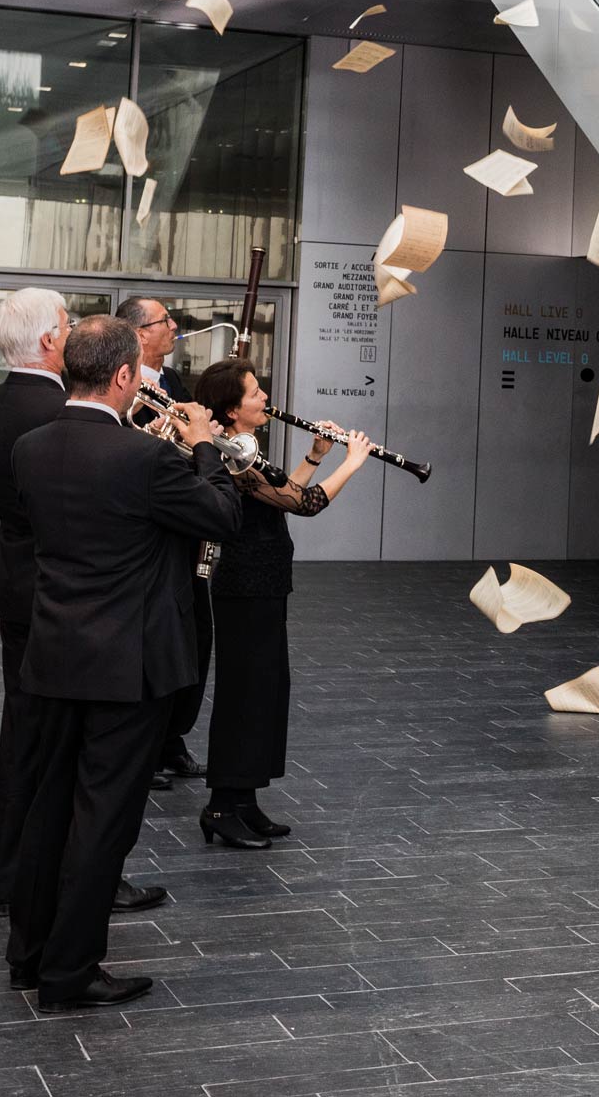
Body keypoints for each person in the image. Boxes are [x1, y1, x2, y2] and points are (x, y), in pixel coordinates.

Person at [2, 316, 239, 1007]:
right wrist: (204, 445)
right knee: (103, 821)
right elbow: (222, 516)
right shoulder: (145, 458)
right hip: (126, 666)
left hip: (53, 655)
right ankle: (69, 973)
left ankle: (29, 956)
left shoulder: (30, 448)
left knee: (46, 811)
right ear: (125, 375)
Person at [188, 359, 372, 848]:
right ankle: (221, 806)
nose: (264, 397)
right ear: (231, 410)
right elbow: (305, 503)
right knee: (243, 695)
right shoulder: (230, 456)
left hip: (265, 582)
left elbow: (282, 494)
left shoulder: (244, 448)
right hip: (243, 586)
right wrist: (352, 462)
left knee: (266, 691)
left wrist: (315, 455)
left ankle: (245, 800)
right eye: (254, 393)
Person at [0, 289, 73, 914]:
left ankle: (10, 877)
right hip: (65, 591)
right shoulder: (65, 411)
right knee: (65, 742)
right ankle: (60, 877)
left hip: (15, 582)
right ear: (48, 341)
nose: (71, 332)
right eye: (66, 324)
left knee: (22, 733)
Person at [119, 296, 204, 787]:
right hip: (145, 527)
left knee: (188, 638)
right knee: (151, 641)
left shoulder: (171, 380)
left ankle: (172, 738)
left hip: (182, 521)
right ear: (138, 334)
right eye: (164, 321)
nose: (174, 327)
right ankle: (146, 749)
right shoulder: (124, 386)